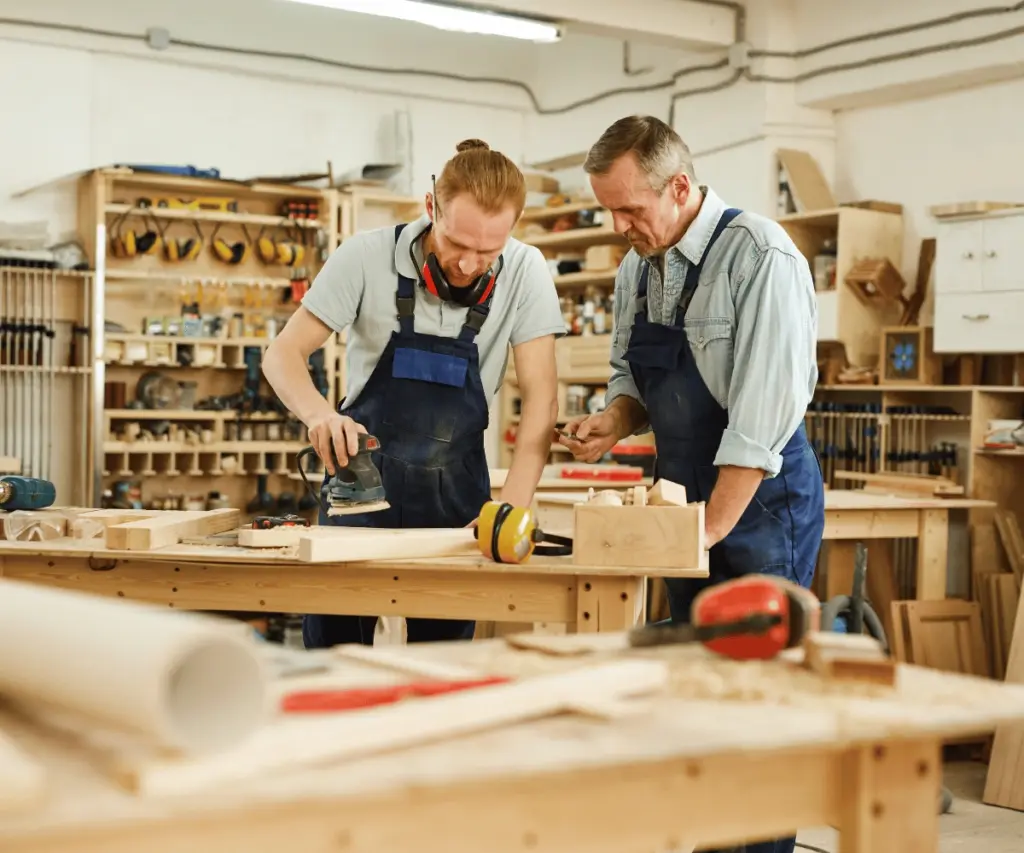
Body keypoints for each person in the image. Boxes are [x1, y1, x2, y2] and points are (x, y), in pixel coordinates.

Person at [559, 115, 824, 853]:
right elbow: (632, 379)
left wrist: (708, 530)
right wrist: (612, 419)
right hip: (680, 496)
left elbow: (759, 421)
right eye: (607, 210)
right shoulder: (636, 269)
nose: (618, 227)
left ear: (679, 187)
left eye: (630, 209)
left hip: (761, 502)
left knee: (759, 698)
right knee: (692, 688)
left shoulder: (761, 255)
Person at [264, 139, 564, 648]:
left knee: (442, 665)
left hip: (457, 506)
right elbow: (282, 355)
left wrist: (512, 504)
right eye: (457, 244)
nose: (469, 265)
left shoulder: (527, 270)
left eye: (488, 251)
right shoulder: (365, 256)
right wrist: (319, 415)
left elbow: (541, 400)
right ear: (430, 208)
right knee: (335, 662)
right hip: (360, 490)